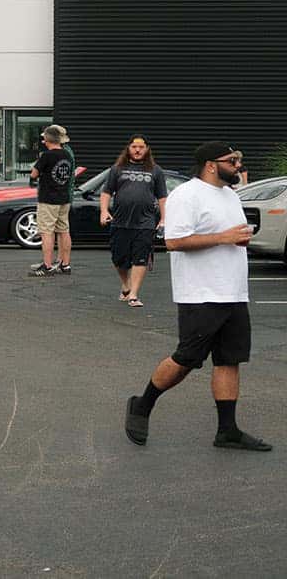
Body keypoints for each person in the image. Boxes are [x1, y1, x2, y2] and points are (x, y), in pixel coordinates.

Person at [123, 141, 270, 452]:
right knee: (187, 359)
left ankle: (227, 431)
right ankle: (142, 404)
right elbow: (174, 241)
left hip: (233, 291)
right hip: (200, 293)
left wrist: (237, 239)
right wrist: (224, 238)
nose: (238, 165)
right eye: (232, 160)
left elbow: (226, 236)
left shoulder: (230, 194)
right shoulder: (186, 195)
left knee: (229, 359)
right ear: (211, 165)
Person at [100, 135, 169, 308]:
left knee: (141, 258)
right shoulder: (117, 169)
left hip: (145, 222)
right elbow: (106, 192)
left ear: (147, 149)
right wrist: (104, 211)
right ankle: (126, 285)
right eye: (134, 147)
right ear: (128, 148)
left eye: (141, 147)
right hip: (120, 221)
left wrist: (163, 219)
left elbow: (162, 197)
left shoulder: (155, 170)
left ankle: (134, 294)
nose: (137, 150)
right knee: (119, 259)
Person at [29, 125, 75, 277]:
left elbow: (34, 174)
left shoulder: (47, 156)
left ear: (47, 139)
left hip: (48, 198)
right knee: (64, 231)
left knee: (46, 232)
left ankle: (47, 266)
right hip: (64, 198)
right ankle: (65, 264)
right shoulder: (68, 155)